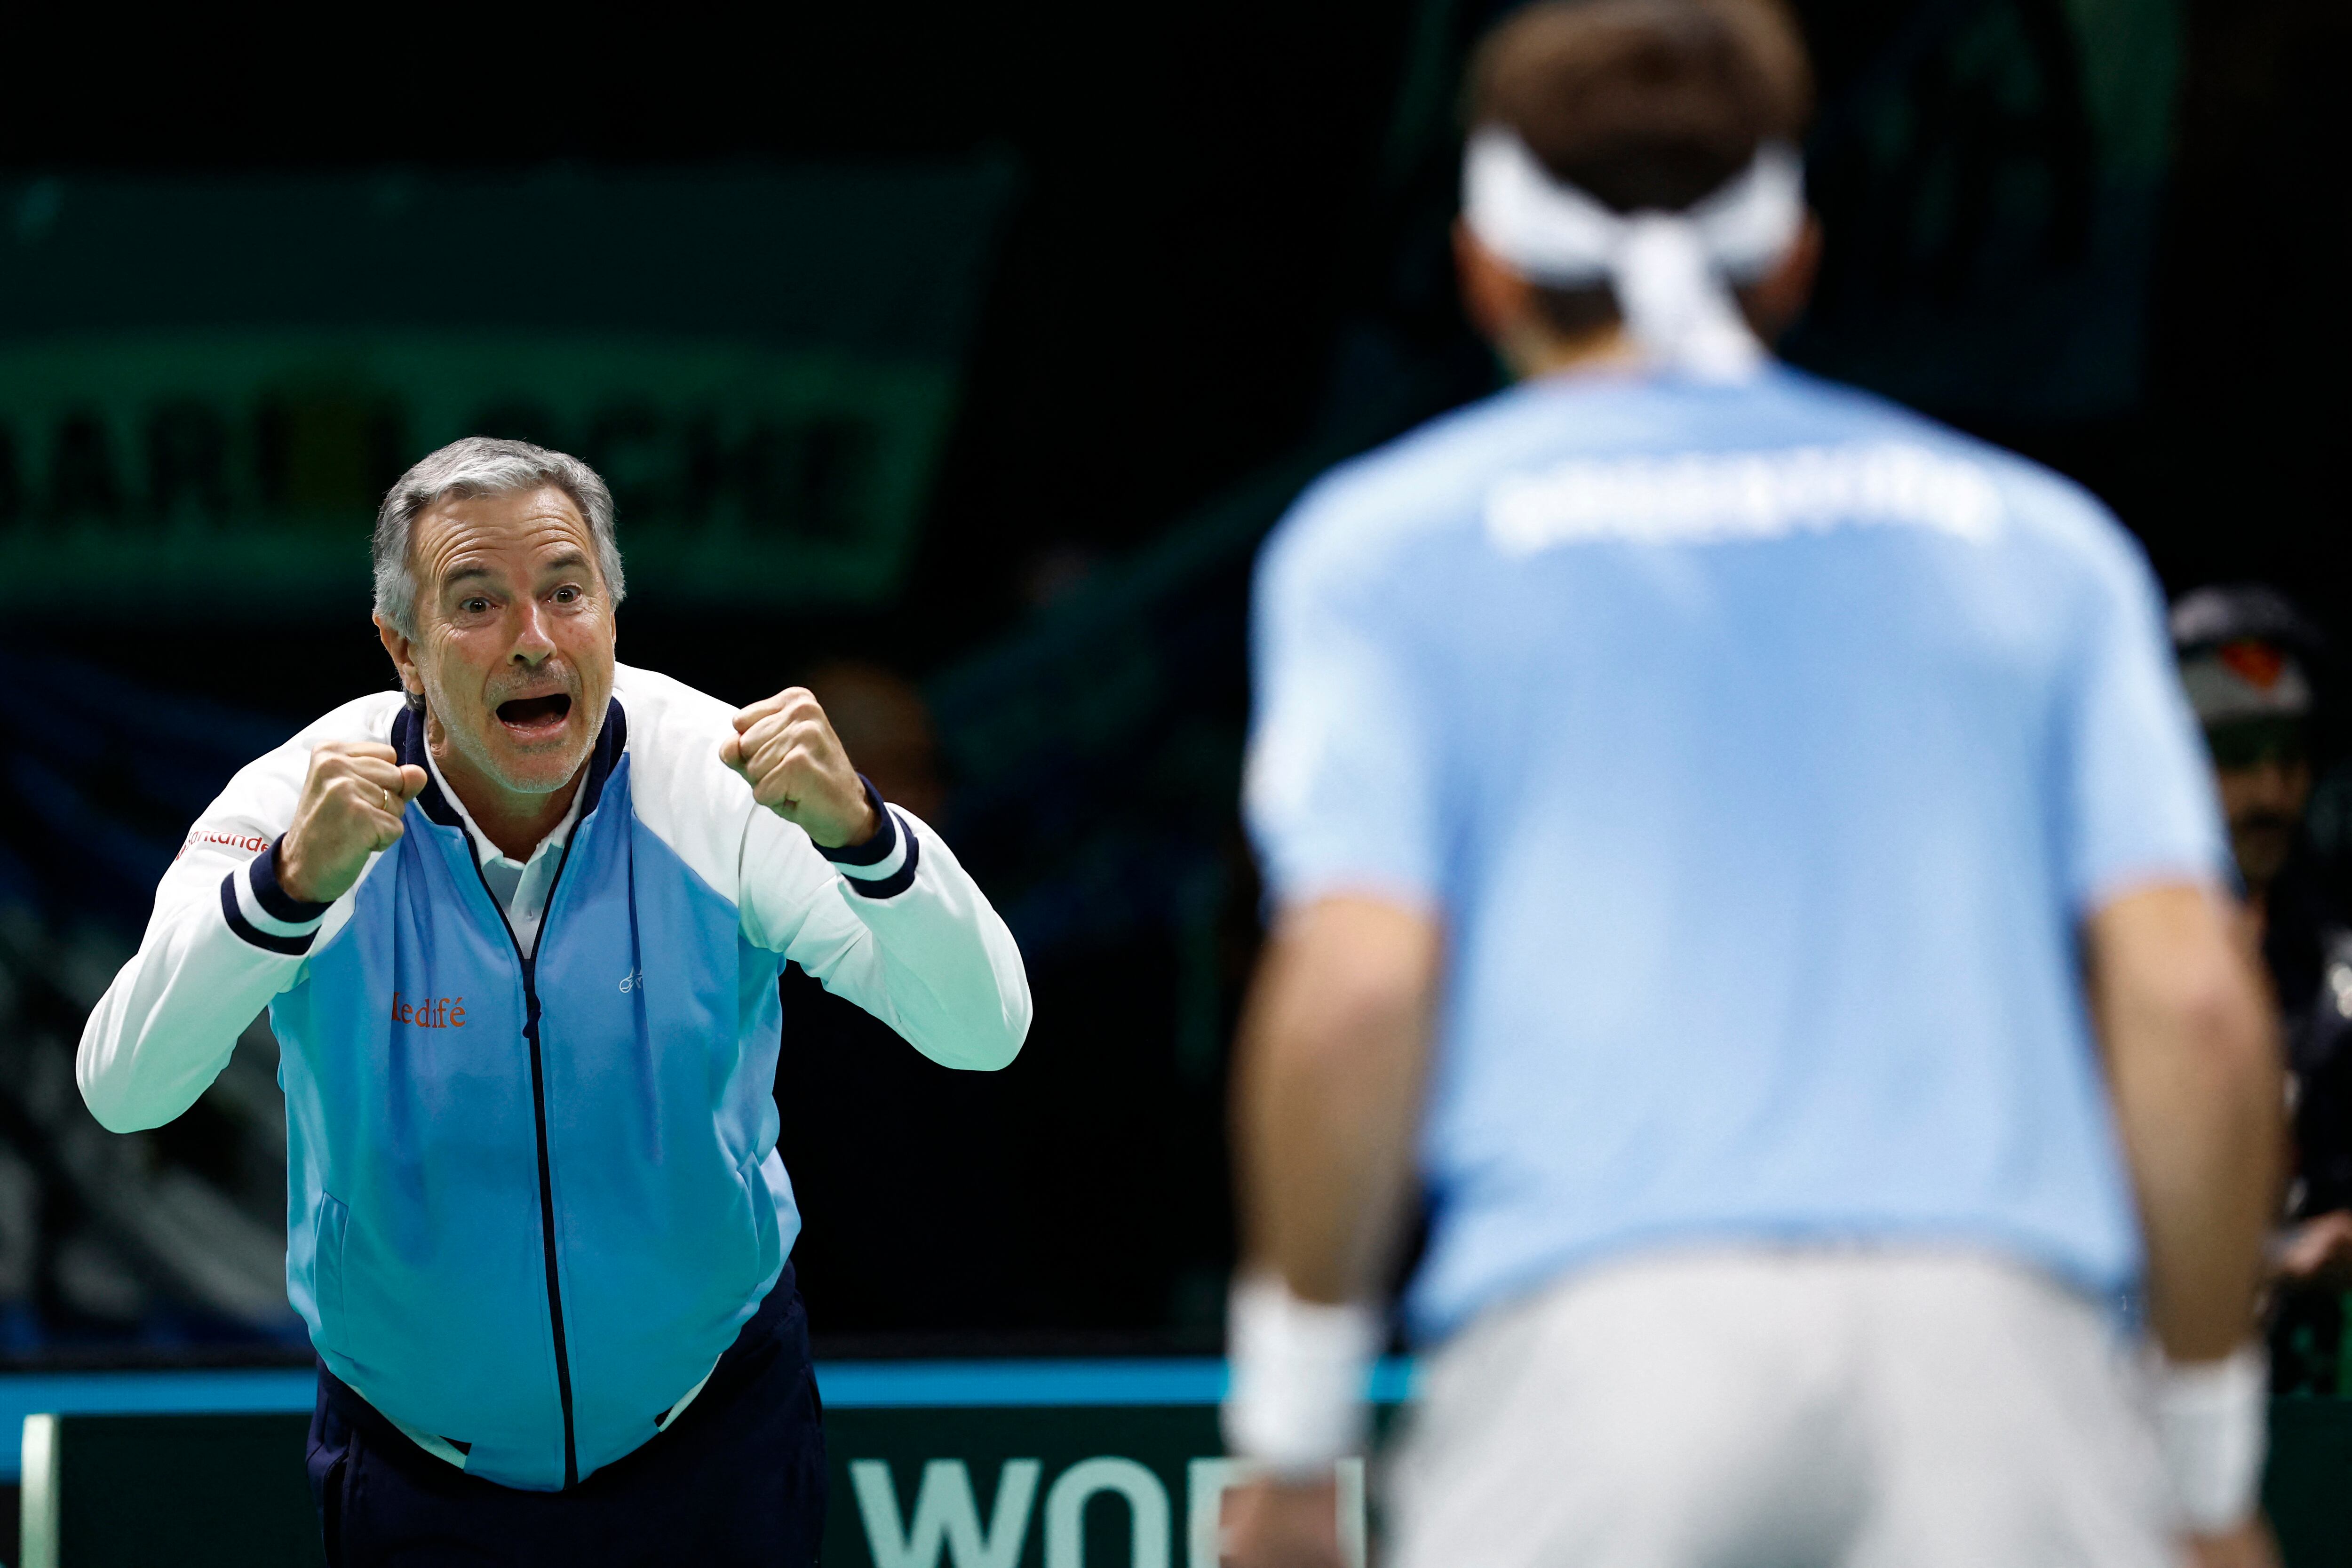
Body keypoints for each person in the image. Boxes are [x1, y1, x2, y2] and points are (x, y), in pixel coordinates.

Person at [1218, 4, 2282, 1566]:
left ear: (1484, 267)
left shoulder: (1382, 549)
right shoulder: (2040, 545)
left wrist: (1297, 1440)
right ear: (1793, 261)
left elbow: (1357, 991)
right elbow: (2194, 1007)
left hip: (1600, 1362)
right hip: (2007, 1364)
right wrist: (2203, 1467)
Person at [76, 438, 1031, 1565]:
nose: (534, 639)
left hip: (715, 1431)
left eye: (568, 592)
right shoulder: (303, 803)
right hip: (418, 1460)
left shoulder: (721, 782)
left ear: (614, 613)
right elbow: (125, 1088)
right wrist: (283, 890)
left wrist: (869, 836)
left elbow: (985, 1030)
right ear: (405, 649)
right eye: (476, 602)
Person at [2169, 585, 2352, 1389]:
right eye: (2237, 757)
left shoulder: (2339, 965)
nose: (2271, 795)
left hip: (2305, 1400)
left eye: (2289, 758)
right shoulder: (2067, 959)